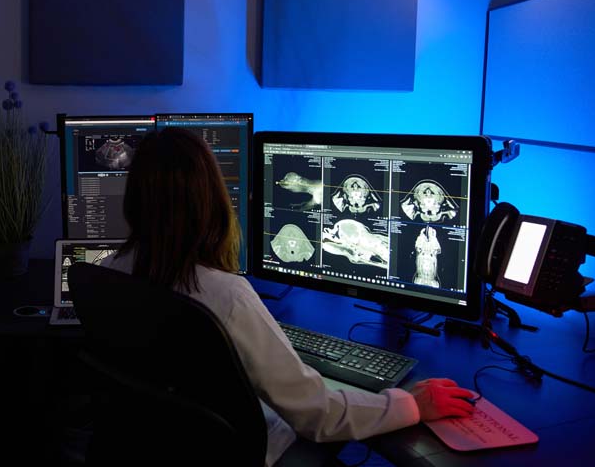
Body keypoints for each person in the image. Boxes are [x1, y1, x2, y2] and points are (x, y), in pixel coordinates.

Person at [101, 127, 475, 466]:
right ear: (210, 201)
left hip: (170, 447)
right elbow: (318, 415)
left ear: (134, 197)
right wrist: (412, 404)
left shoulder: (112, 272)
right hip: (250, 451)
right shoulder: (226, 296)